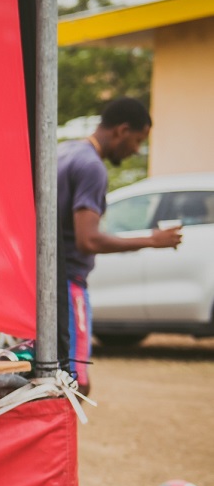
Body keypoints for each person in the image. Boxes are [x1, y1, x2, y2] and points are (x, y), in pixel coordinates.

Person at [57, 96, 180, 391]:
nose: (136, 150)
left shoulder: (65, 152)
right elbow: (88, 240)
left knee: (53, 378)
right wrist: (151, 240)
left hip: (44, 284)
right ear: (122, 130)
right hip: (69, 285)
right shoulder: (91, 167)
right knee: (76, 382)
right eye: (138, 140)